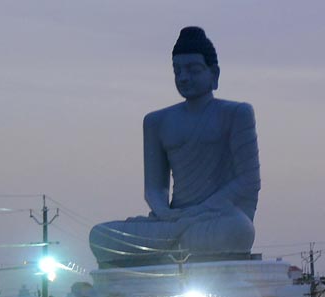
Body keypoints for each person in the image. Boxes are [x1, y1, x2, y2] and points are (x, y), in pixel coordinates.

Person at [88, 26, 261, 267]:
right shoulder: (156, 121)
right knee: (101, 236)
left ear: (214, 74)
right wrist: (166, 213)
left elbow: (248, 180)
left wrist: (198, 212)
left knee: (239, 230)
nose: (183, 77)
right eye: (177, 70)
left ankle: (169, 245)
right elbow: (154, 188)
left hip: (214, 218)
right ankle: (175, 241)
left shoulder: (236, 113)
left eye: (193, 69)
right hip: (173, 220)